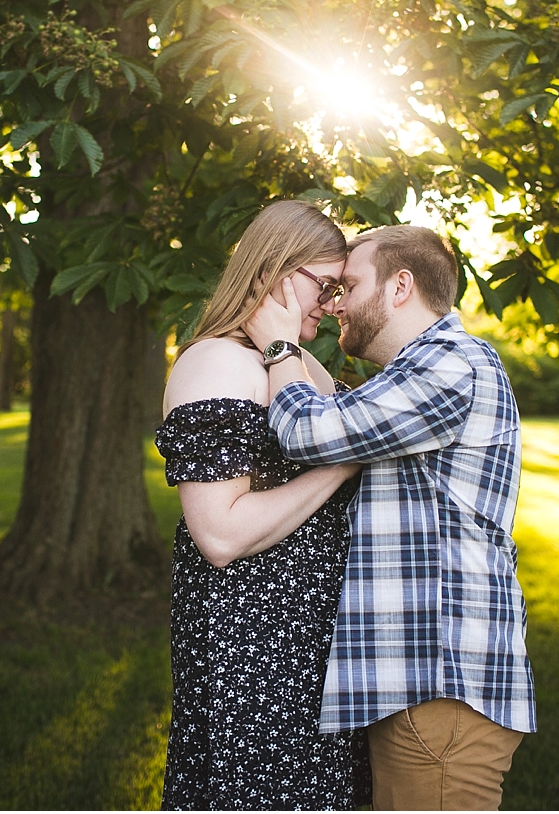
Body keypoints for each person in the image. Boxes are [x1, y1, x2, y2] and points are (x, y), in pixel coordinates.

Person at [245, 224, 535, 812]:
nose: (334, 304)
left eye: (348, 285)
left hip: (438, 689)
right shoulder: (412, 376)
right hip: (422, 690)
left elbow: (309, 432)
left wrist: (280, 346)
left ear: (401, 286)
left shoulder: (454, 363)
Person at [155, 199, 372, 811]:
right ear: (276, 269)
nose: (333, 305)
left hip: (314, 641)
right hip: (252, 644)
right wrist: (340, 464)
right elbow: (218, 535)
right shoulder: (215, 363)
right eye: (325, 285)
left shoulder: (297, 364)